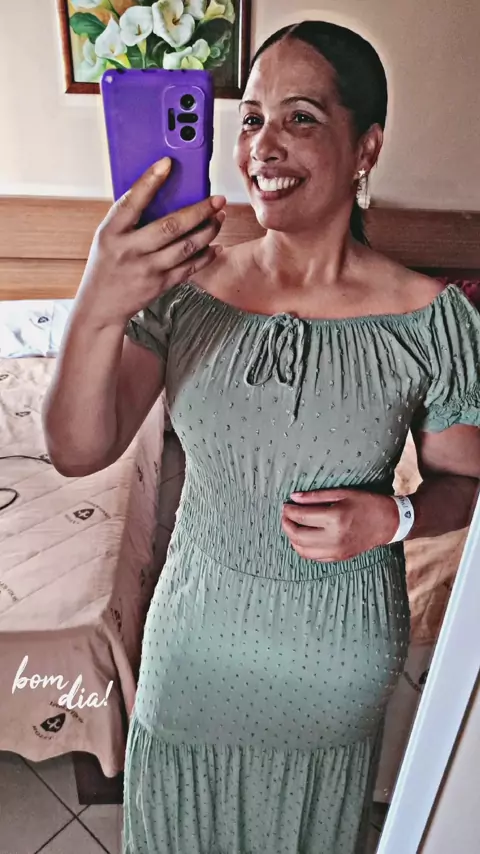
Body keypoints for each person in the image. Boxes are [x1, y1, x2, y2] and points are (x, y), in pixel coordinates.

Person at [43, 20, 480, 854]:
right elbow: (77, 449)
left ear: (367, 147)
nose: (263, 146)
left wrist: (393, 518)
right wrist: (100, 294)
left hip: (335, 662)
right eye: (250, 119)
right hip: (192, 648)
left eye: (300, 118)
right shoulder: (186, 287)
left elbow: (463, 486)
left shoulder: (432, 320)